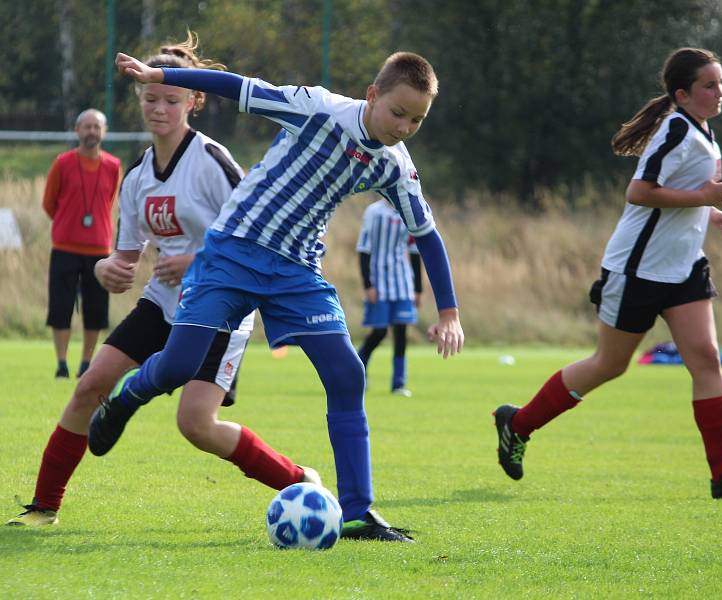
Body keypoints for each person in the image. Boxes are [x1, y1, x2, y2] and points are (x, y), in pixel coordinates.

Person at [89, 49, 465, 543]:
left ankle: (357, 513)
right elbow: (238, 86)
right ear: (372, 95)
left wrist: (449, 311)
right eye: (398, 113)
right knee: (179, 365)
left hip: (296, 273)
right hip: (231, 254)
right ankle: (128, 396)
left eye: (417, 120)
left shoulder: (395, 165)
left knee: (347, 372)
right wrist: (161, 74)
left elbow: (428, 235)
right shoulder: (316, 108)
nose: (405, 127)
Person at [7, 35, 317, 527]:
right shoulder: (136, 178)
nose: (159, 108)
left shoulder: (213, 162)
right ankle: (43, 507)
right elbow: (125, 257)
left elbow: (257, 237)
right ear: (138, 100)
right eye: (150, 98)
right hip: (164, 302)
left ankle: (301, 482)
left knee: (195, 425)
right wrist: (107, 269)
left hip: (223, 309)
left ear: (193, 100)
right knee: (90, 385)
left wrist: (196, 260)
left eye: (171, 99)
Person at [493, 48, 722, 499]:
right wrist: (703, 197)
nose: (720, 92)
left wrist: (709, 213)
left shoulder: (704, 131)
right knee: (609, 365)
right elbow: (639, 192)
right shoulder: (675, 131)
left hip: (684, 268)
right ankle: (518, 423)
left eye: (721, 83)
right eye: (710, 84)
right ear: (683, 94)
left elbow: (678, 197)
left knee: (705, 357)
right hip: (638, 271)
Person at [43, 108, 123, 378]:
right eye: (86, 127)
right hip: (65, 248)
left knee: (96, 310)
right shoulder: (63, 162)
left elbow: (109, 201)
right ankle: (62, 363)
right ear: (77, 131)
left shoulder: (113, 166)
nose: (91, 132)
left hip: (99, 251)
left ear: (104, 132)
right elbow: (49, 203)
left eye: (96, 127)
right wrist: (67, 225)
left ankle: (86, 363)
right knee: (61, 307)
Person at [356, 198, 422, 397]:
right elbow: (363, 249)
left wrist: (418, 288)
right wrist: (368, 284)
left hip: (402, 281)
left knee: (401, 331)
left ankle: (399, 384)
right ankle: (359, 370)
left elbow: (414, 251)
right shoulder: (374, 211)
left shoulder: (408, 211)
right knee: (380, 332)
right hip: (379, 280)